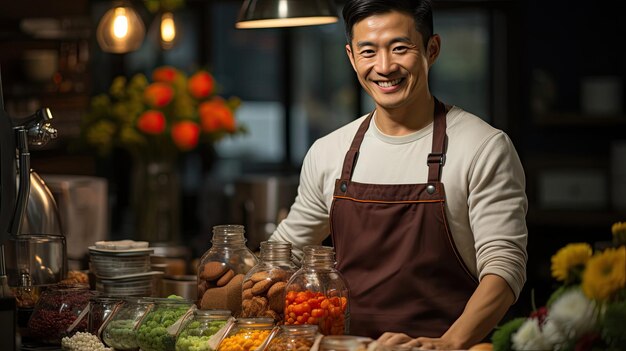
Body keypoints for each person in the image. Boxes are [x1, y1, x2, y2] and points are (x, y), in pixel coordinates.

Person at [268, 0, 528, 349]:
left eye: (400, 48)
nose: (384, 67)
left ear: (431, 49)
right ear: (351, 57)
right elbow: (285, 256)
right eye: (368, 51)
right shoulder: (329, 151)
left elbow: (504, 269)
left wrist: (448, 344)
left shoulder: (484, 147)